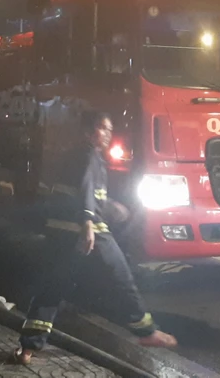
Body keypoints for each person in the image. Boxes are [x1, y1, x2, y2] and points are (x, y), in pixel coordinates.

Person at [12, 111, 177, 365]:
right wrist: (88, 222)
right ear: (88, 132)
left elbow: (83, 193)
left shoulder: (77, 155)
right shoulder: (90, 156)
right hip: (90, 231)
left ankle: (28, 348)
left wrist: (109, 206)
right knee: (121, 277)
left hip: (62, 232)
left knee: (52, 288)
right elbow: (86, 189)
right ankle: (147, 332)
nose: (108, 134)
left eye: (110, 129)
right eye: (102, 128)